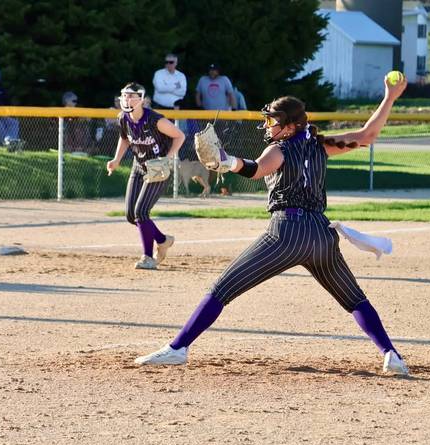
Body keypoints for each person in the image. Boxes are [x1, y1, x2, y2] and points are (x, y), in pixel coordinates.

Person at [134, 74, 411, 375]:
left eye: (274, 121)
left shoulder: (279, 149)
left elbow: (255, 170)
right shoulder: (321, 145)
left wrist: (228, 162)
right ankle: (391, 355)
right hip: (322, 235)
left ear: (291, 126)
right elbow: (369, 134)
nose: (268, 125)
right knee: (354, 298)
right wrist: (390, 96)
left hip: (287, 233)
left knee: (221, 288)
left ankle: (177, 348)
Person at [106, 82, 185, 270]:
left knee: (141, 212)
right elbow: (125, 138)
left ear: (142, 99)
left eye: (132, 95)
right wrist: (116, 159)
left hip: (157, 169)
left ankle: (148, 257)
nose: (127, 99)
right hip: (139, 167)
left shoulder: (155, 120)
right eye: (125, 95)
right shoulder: (123, 118)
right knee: (131, 215)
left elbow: (180, 136)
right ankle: (162, 240)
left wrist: (167, 158)